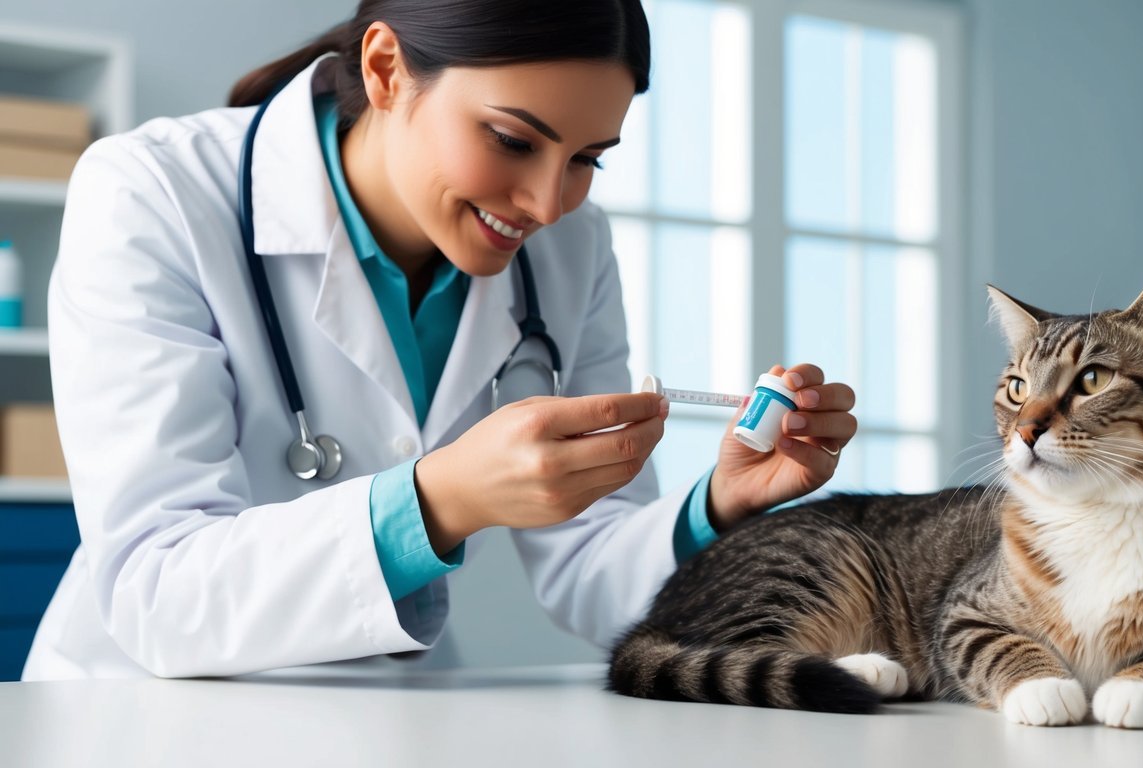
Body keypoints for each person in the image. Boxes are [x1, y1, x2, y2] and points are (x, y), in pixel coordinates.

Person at [23, 0, 856, 680]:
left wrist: (718, 503)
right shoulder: (153, 191)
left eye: (587, 159)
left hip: (390, 715)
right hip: (143, 714)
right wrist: (438, 500)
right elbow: (156, 589)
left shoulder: (571, 250)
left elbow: (592, 570)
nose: (545, 202)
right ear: (386, 70)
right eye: (511, 140)